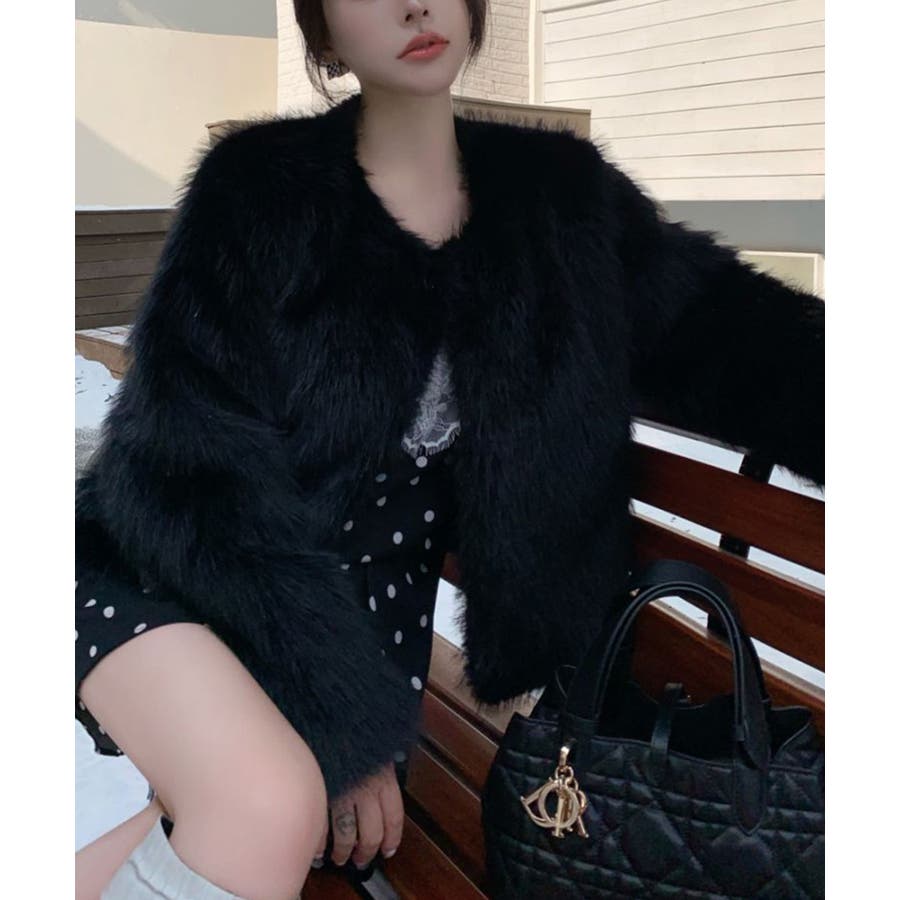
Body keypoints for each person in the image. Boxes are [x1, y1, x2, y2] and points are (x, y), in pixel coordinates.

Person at [75, 1, 825, 898]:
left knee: (240, 822)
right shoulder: (261, 190)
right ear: (322, 34)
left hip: (366, 639)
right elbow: (183, 467)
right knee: (268, 802)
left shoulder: (560, 199)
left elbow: (733, 338)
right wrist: (330, 714)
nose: (414, 4)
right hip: (178, 577)